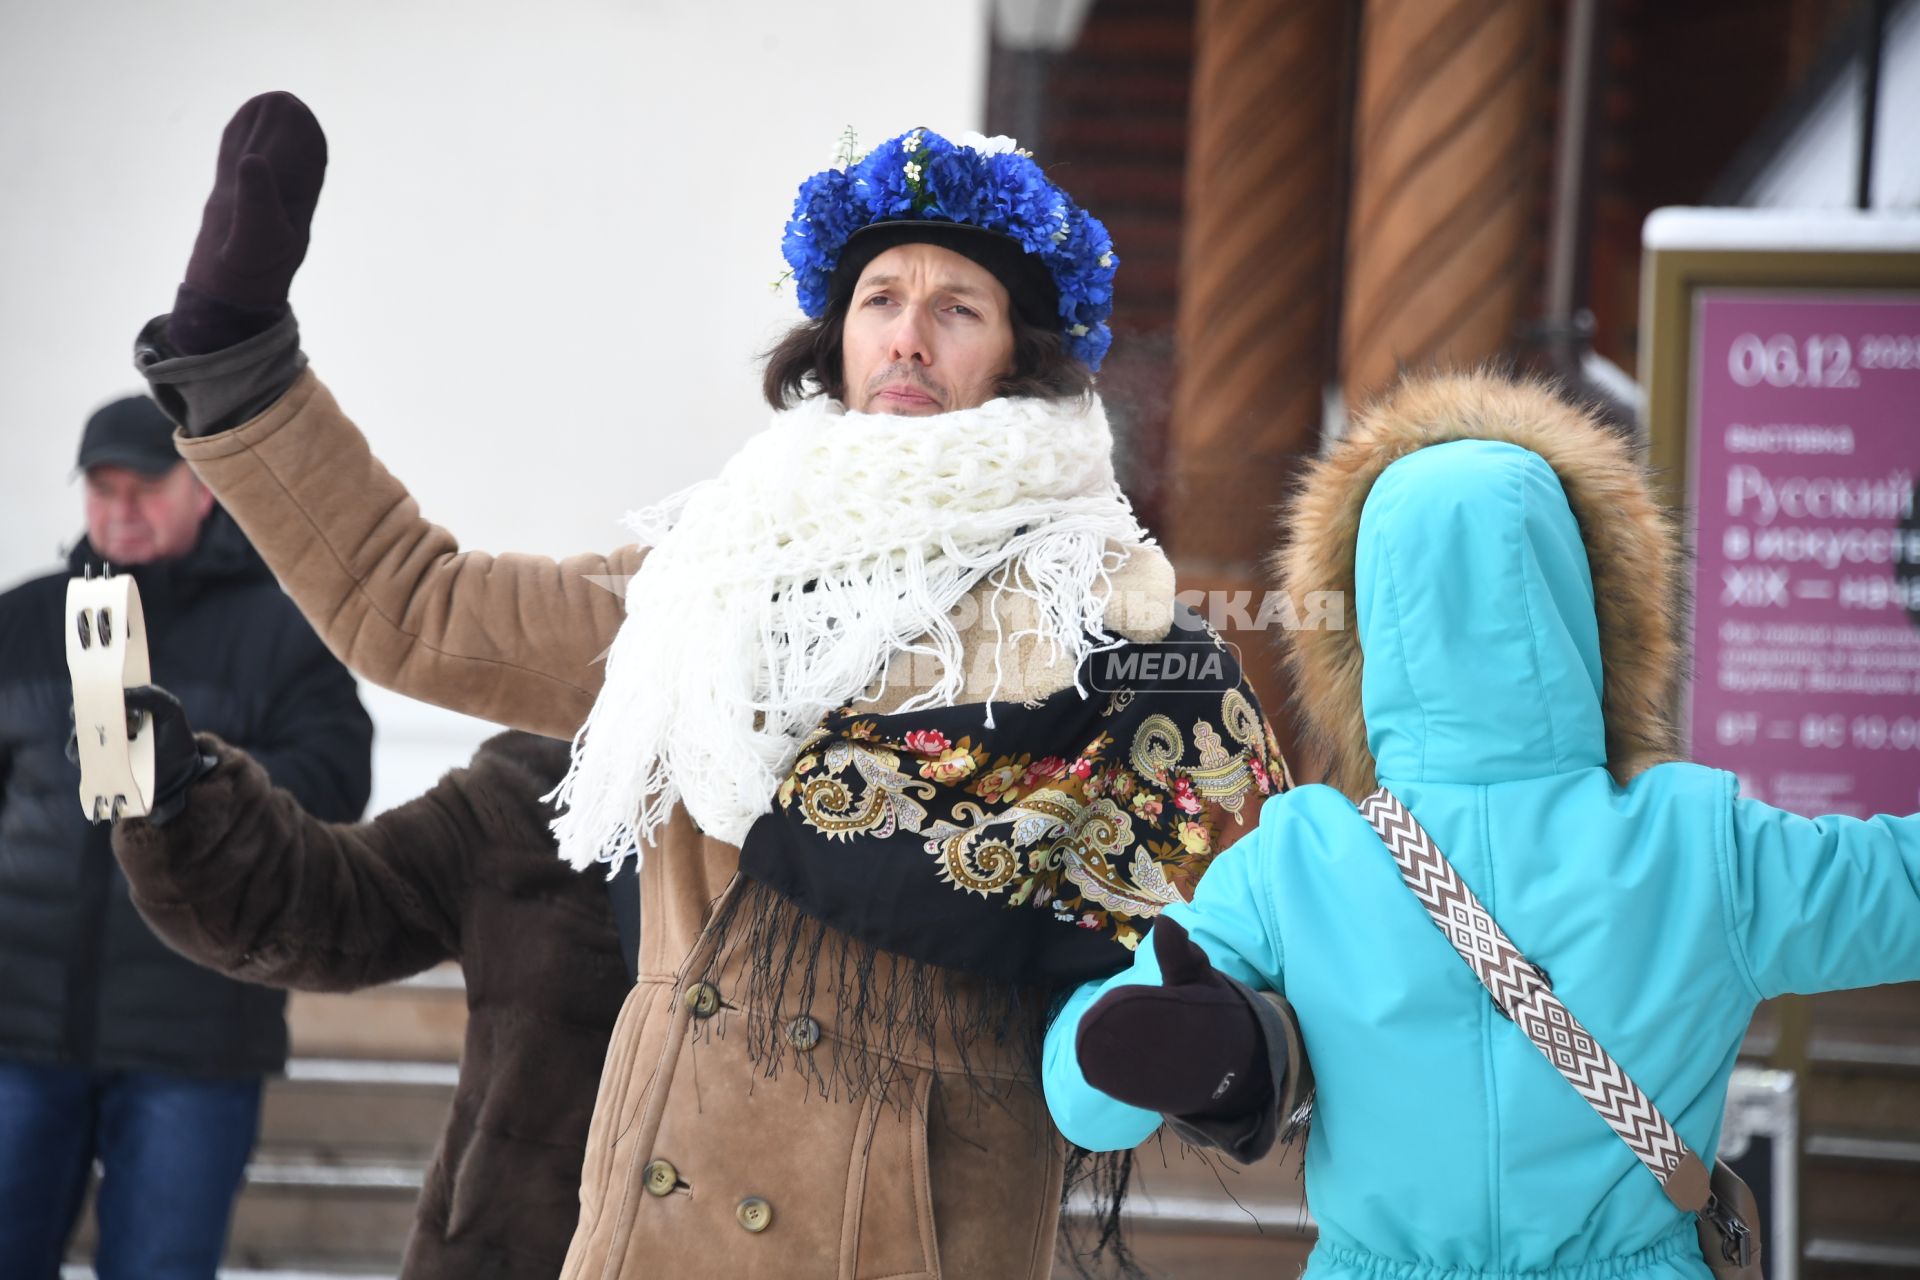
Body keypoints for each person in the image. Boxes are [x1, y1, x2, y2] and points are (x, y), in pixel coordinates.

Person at [131, 94, 1292, 1278]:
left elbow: (1251, 906)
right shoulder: (708, 583)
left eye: (958, 308)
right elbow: (415, 604)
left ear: (1018, 353)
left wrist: (1234, 1050)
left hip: (909, 1232)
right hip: (657, 1221)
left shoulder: (1101, 614)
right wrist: (241, 366)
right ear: (835, 337)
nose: (907, 338)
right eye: (880, 301)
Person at [1042, 372, 1920, 1280]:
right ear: (1591, 605)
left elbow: (1082, 1099)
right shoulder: (1702, 846)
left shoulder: (1295, 863)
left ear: (1362, 630)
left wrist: (1172, 1045)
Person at [0, 393, 372, 1280]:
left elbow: (335, 785)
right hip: (17, 1025)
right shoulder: (20, 624)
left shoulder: (284, 633)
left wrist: (194, 771)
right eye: (103, 488)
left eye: (145, 487)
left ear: (201, 488)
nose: (121, 509)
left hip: (196, 1035)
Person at [106, 686, 629, 1280]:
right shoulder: (546, 788)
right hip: (511, 1251)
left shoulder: (757, 830)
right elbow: (330, 900)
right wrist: (182, 795)